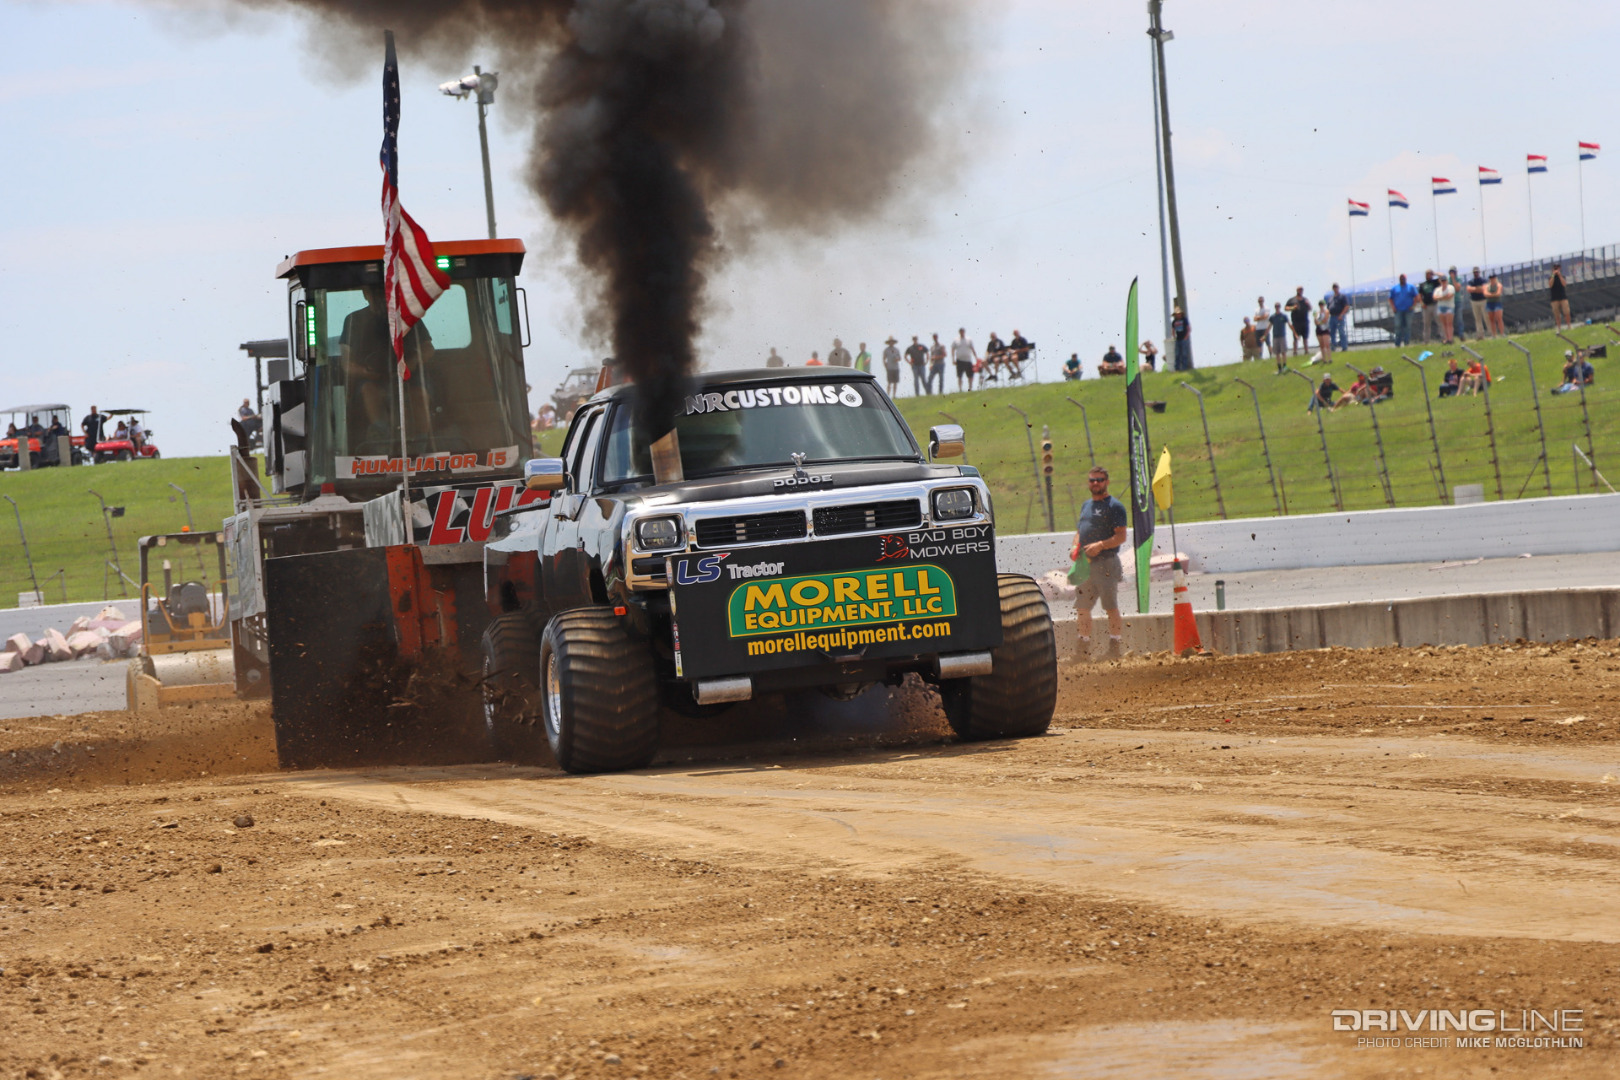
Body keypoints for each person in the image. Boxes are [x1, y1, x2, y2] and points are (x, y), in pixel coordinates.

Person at [1071, 465, 1128, 661]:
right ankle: (1083, 650)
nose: (1096, 483)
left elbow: (1121, 536)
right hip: (1085, 564)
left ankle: (1114, 648)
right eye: (1092, 480)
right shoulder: (1086, 505)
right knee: (1082, 607)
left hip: (1106, 563)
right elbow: (1080, 531)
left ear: (1107, 482)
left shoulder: (1115, 506)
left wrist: (1101, 545)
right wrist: (1075, 547)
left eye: (1100, 480)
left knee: (1110, 606)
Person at [1387, 273, 1418, 346]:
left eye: (1403, 278)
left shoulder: (1411, 287)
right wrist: (1393, 307)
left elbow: (1416, 297)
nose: (1402, 280)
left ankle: (1406, 343)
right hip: (1398, 310)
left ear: (1406, 279)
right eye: (1401, 278)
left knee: (1407, 327)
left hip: (1408, 310)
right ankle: (1397, 343)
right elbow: (1390, 298)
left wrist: (1413, 306)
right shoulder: (1395, 288)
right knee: (1398, 326)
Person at [1285, 287, 1312, 356]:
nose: (1300, 291)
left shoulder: (1305, 299)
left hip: (1305, 321)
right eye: (1299, 290)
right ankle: (1295, 352)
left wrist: (1308, 304)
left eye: (1301, 290)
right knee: (1296, 338)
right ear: (1297, 291)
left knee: (1305, 338)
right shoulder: (1292, 300)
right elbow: (1286, 308)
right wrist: (1293, 308)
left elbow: (1310, 308)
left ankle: (1306, 351)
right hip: (1296, 322)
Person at [1417, 270, 1440, 343]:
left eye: (1430, 274)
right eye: (1427, 274)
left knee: (1439, 322)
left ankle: (1444, 338)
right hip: (1426, 306)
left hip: (1435, 304)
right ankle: (1426, 340)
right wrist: (1421, 303)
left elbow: (1442, 276)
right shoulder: (1422, 284)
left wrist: (1435, 273)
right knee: (1426, 324)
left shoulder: (1435, 282)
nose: (1428, 276)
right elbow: (1419, 295)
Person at [1326, 284, 1351, 352]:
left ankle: (1344, 347)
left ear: (1338, 288)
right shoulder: (1330, 298)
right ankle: (1333, 347)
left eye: (1336, 287)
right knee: (1332, 333)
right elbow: (1328, 308)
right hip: (1332, 317)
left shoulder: (1342, 297)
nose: (1335, 288)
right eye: (1334, 287)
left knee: (1341, 332)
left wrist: (1341, 315)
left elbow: (1346, 306)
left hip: (1339, 316)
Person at [1466, 267, 1489, 340]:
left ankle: (1491, 333)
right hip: (1474, 301)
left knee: (1486, 317)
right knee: (1477, 319)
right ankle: (1480, 335)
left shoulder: (1483, 280)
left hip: (1483, 300)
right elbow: (1469, 289)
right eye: (1474, 272)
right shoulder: (1471, 281)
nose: (1476, 273)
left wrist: (1475, 289)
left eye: (1477, 272)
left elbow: (1484, 288)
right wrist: (1477, 289)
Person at [1447, 268, 1469, 339]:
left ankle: (1461, 334)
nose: (1452, 273)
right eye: (1451, 272)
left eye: (1453, 272)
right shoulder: (1447, 279)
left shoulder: (1458, 278)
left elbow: (1457, 289)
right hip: (1450, 302)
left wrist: (1453, 279)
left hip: (1457, 301)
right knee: (1450, 320)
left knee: (1459, 319)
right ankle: (1451, 336)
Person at [1433, 274, 1456, 344]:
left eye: (1444, 280)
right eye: (1442, 281)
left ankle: (1450, 338)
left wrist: (1440, 298)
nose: (1443, 282)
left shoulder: (1451, 287)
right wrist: (1443, 297)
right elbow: (1434, 297)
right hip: (1441, 307)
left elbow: (1449, 296)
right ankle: (1446, 338)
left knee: (1449, 323)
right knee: (1444, 324)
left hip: (1449, 307)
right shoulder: (1437, 289)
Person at [1267, 302, 1289, 372]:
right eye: (1276, 306)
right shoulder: (1272, 317)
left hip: (1282, 336)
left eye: (1278, 306)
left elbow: (1289, 324)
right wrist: (1265, 335)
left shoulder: (1284, 316)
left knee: (1283, 352)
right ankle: (1279, 368)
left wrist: (1295, 333)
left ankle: (1285, 366)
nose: (1277, 307)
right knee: (1277, 353)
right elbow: (1269, 326)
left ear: (1280, 307)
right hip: (1275, 336)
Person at [1549, 263, 1571, 330]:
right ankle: (1559, 328)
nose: (1556, 269)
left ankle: (1569, 326)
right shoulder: (1551, 277)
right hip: (1554, 299)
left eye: (1557, 268)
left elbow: (1564, 284)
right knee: (1557, 315)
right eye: (1555, 268)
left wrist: (1559, 275)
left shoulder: (1562, 276)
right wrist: (1553, 275)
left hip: (1563, 298)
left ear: (1559, 268)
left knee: (1566, 313)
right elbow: (1550, 285)